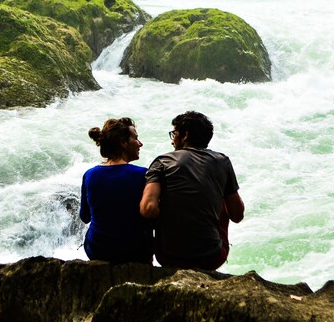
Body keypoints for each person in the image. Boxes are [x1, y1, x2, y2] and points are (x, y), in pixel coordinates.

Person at [139, 111, 244, 270]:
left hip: (168, 256)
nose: (173, 140)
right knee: (221, 201)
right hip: (212, 257)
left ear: (185, 135)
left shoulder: (163, 161)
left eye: (174, 134)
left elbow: (148, 209)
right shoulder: (223, 161)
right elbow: (237, 215)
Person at [80, 117, 153, 263]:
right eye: (136, 138)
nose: (140, 144)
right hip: (135, 251)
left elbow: (85, 217)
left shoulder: (90, 174)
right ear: (123, 143)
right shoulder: (143, 174)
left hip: (97, 249)